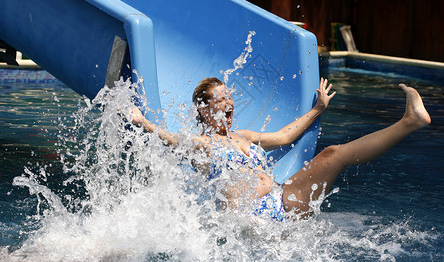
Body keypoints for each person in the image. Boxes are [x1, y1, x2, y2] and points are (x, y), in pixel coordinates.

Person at [131, 77, 431, 220]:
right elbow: (170, 139)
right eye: (221, 100)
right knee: (331, 156)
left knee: (332, 154)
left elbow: (285, 136)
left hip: (280, 203)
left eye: (230, 97)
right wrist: (142, 120)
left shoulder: (243, 136)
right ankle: (408, 122)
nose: (229, 103)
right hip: (252, 217)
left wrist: (318, 110)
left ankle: (408, 122)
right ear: (204, 109)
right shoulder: (202, 144)